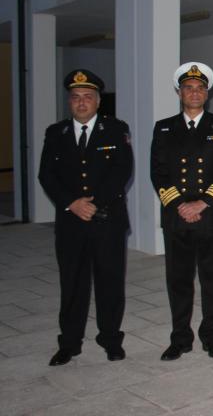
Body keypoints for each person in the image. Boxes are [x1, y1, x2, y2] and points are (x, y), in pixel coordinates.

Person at [39, 69, 133, 366]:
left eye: (88, 97)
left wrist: (93, 204)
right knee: (72, 284)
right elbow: (46, 175)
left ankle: (110, 339)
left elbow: (121, 171)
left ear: (98, 101)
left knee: (110, 283)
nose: (81, 102)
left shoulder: (115, 129)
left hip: (107, 220)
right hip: (71, 223)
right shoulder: (56, 133)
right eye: (76, 97)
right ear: (69, 101)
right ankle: (69, 343)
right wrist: (72, 203)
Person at [150, 62, 213, 361]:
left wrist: (202, 203)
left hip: (210, 215)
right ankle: (180, 338)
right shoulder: (164, 128)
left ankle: (211, 337)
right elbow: (158, 172)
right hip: (177, 217)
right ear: (179, 93)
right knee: (178, 280)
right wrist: (180, 205)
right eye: (188, 88)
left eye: (200, 88)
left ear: (207, 93)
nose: (195, 93)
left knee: (212, 280)